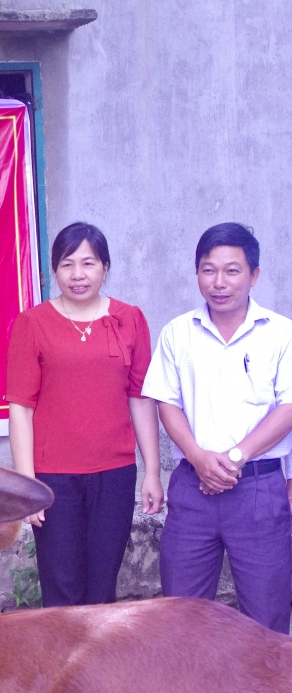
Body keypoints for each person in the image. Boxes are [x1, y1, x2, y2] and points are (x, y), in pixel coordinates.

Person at [142, 222, 292, 633]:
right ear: (197, 274)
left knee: (268, 621)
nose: (219, 282)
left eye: (232, 270)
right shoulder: (178, 333)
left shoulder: (281, 334)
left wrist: (232, 458)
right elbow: (166, 402)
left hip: (259, 491)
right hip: (194, 489)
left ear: (254, 275)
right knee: (182, 617)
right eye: (209, 270)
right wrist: (197, 457)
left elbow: (288, 407)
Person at [6, 222, 162, 606]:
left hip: (114, 475)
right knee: (61, 586)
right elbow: (20, 409)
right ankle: (63, 665)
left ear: (105, 267)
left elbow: (141, 398)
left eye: (88, 263)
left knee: (102, 584)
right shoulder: (32, 324)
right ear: (53, 271)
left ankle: (98, 665)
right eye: (67, 264)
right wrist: (28, 485)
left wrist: (153, 472)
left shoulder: (131, 319)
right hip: (54, 478)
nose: (78, 274)